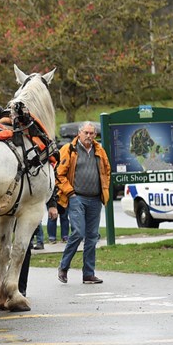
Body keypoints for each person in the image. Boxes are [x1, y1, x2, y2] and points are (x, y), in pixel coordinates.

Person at [56, 121, 111, 285]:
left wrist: (104, 189)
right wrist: (70, 193)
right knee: (78, 232)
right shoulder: (69, 149)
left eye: (92, 133)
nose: (89, 136)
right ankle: (63, 266)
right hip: (76, 197)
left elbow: (107, 171)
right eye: (86, 133)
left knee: (92, 237)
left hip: (95, 198)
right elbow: (59, 174)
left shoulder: (99, 150)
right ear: (79, 133)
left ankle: (88, 273)